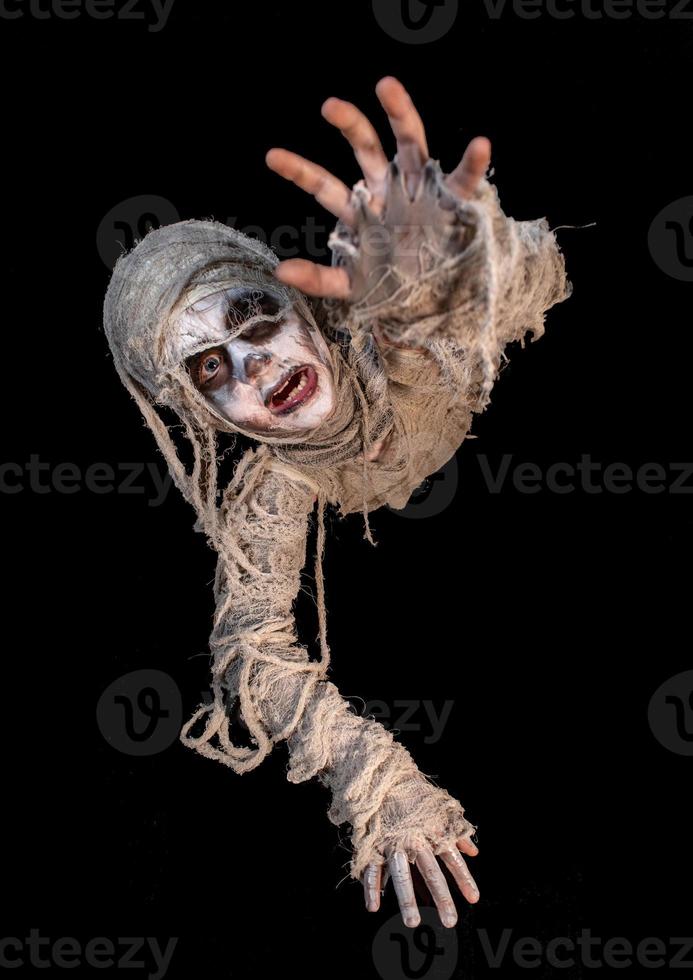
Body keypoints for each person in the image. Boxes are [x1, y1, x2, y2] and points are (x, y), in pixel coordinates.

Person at [103, 76, 570, 929]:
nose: (253, 369)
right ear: (197, 415)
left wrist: (457, 268)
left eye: (254, 319)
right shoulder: (277, 490)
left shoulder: (394, 331)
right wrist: (374, 777)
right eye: (210, 371)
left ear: (302, 307)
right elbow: (253, 653)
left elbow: (533, 282)